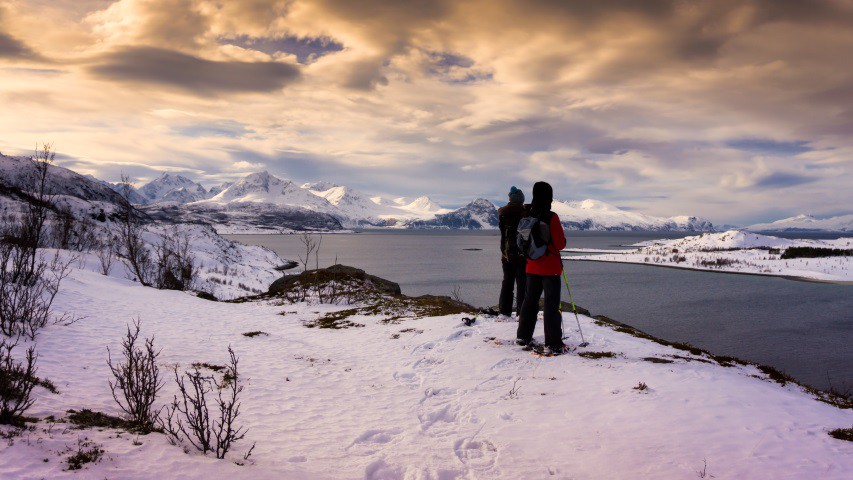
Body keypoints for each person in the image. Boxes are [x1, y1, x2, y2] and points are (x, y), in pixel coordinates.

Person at [516, 181, 568, 354]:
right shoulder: (551, 216)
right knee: (551, 306)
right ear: (549, 197)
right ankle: (553, 343)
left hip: (531, 266)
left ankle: (523, 336)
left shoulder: (526, 214)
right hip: (550, 268)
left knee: (529, 302)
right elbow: (560, 244)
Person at [498, 186, 527, 318]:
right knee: (522, 284)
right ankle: (522, 312)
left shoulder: (502, 213)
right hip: (522, 254)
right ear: (521, 200)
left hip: (506, 253)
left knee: (507, 282)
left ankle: (504, 311)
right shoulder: (525, 213)